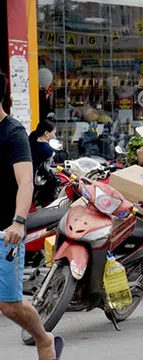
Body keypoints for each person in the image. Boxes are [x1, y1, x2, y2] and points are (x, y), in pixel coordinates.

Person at [0, 72, 57, 359]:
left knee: (9, 305)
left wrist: (18, 221)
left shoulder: (13, 132)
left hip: (5, 230)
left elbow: (25, 180)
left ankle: (43, 339)